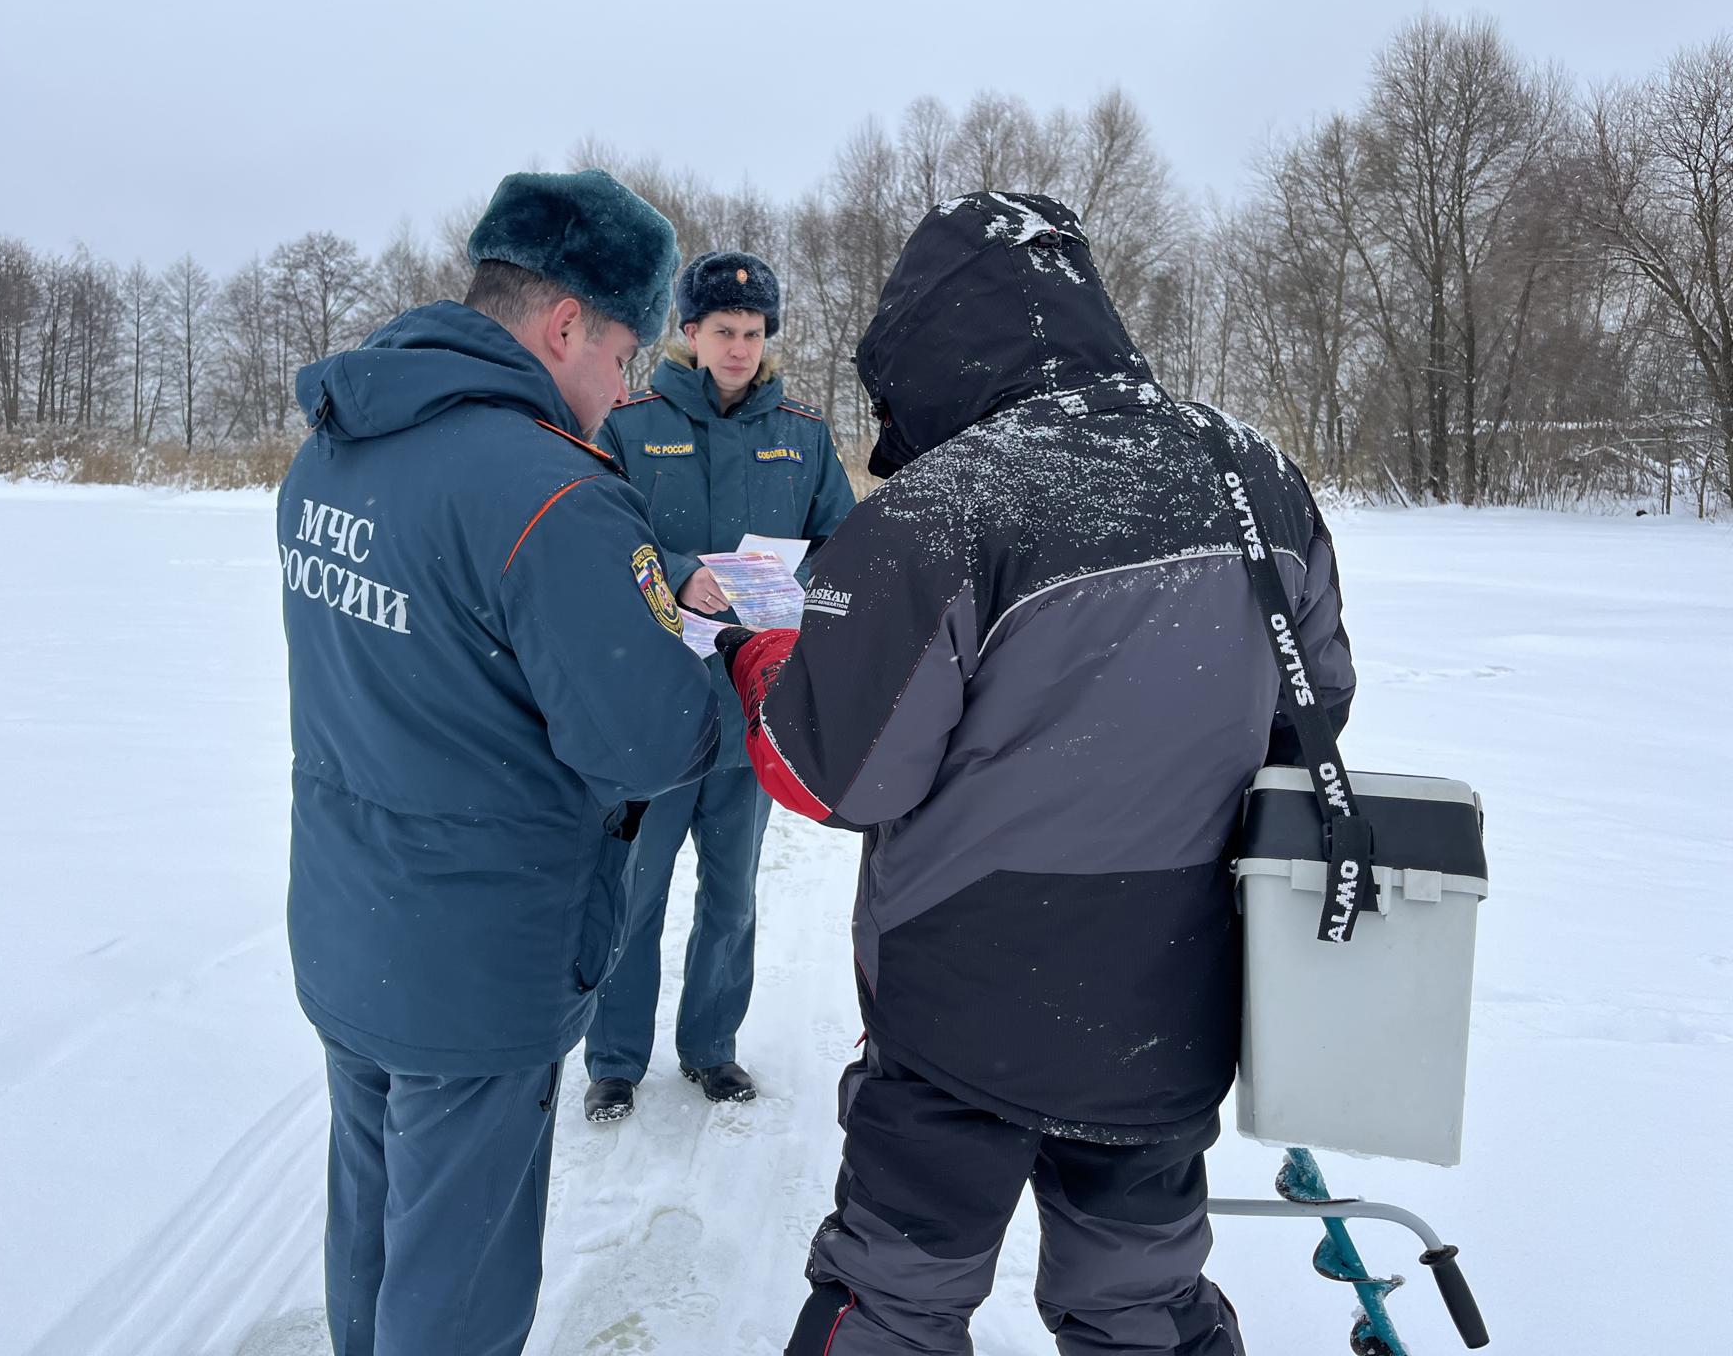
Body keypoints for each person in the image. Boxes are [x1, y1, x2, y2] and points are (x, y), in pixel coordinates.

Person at [716, 191, 1357, 1355]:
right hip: (1175, 998)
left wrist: (768, 657)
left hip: (963, 1007)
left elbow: (833, 778)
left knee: (895, 1303)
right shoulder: (1253, 472)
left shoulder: (944, 507)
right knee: (1141, 1302)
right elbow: (1314, 715)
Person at [276, 168, 720, 1356]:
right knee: (458, 1288)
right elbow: (646, 738)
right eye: (624, 352)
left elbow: (444, 644)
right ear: (566, 323)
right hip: (475, 961)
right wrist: (703, 657)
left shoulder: (339, 444)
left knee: (371, 1234)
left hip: (349, 928)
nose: (626, 388)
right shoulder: (553, 493)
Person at [580, 251, 856, 1120]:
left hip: (753, 713)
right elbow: (590, 540)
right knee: (636, 892)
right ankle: (615, 1059)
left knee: (731, 895)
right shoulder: (629, 425)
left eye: (753, 332)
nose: (739, 347)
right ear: (689, 333)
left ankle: (710, 1049)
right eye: (723, 331)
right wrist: (676, 571)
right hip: (654, 709)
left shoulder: (804, 436)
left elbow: (846, 551)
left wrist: (801, 595)